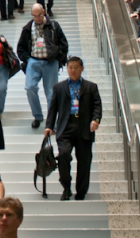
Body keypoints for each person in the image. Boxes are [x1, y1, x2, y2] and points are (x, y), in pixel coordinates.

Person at [44, 56, 102, 200]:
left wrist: (95, 120)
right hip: (65, 126)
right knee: (63, 155)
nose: (73, 70)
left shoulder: (91, 87)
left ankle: (81, 191)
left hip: (84, 127)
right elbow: (53, 108)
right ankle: (66, 187)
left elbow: (97, 106)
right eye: (70, 67)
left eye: (76, 67)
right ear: (67, 69)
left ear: (82, 68)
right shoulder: (59, 87)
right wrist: (49, 126)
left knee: (84, 160)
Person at [17, 3, 69, 128]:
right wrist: (28, 60)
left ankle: (52, 122)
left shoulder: (54, 26)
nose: (38, 18)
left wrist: (58, 59)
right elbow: (21, 48)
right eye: (35, 16)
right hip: (33, 61)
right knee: (30, 88)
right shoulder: (28, 28)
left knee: (51, 93)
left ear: (44, 12)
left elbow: (64, 44)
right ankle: (38, 116)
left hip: (50, 62)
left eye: (39, 15)